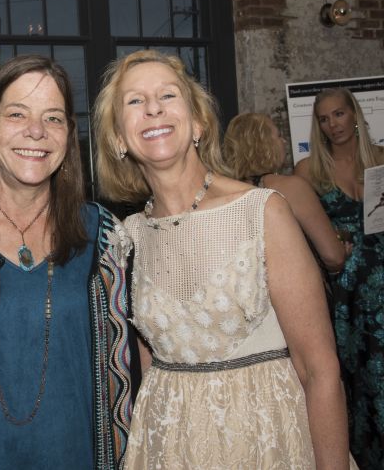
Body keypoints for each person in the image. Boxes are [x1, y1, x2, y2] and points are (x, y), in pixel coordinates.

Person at [94, 50, 353, 468]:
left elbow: (320, 371)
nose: (153, 108)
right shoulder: (129, 236)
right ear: (119, 139)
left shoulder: (261, 211)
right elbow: (148, 363)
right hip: (169, 446)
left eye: (168, 95)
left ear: (198, 123)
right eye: (135, 100)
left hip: (266, 439)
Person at [0, 54, 138, 469]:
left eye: (53, 118)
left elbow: (135, 371)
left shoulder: (107, 237)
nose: (36, 130)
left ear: (68, 135)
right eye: (17, 114)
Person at [294, 87, 384, 469]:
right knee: (357, 383)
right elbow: (299, 237)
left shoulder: (381, 159)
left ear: (355, 114)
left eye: (339, 114)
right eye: (324, 119)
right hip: (345, 294)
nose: (333, 124)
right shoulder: (308, 171)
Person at [223, 112, 348, 274]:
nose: (284, 141)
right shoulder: (291, 187)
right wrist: (341, 254)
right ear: (264, 144)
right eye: (278, 136)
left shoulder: (225, 193)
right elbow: (333, 256)